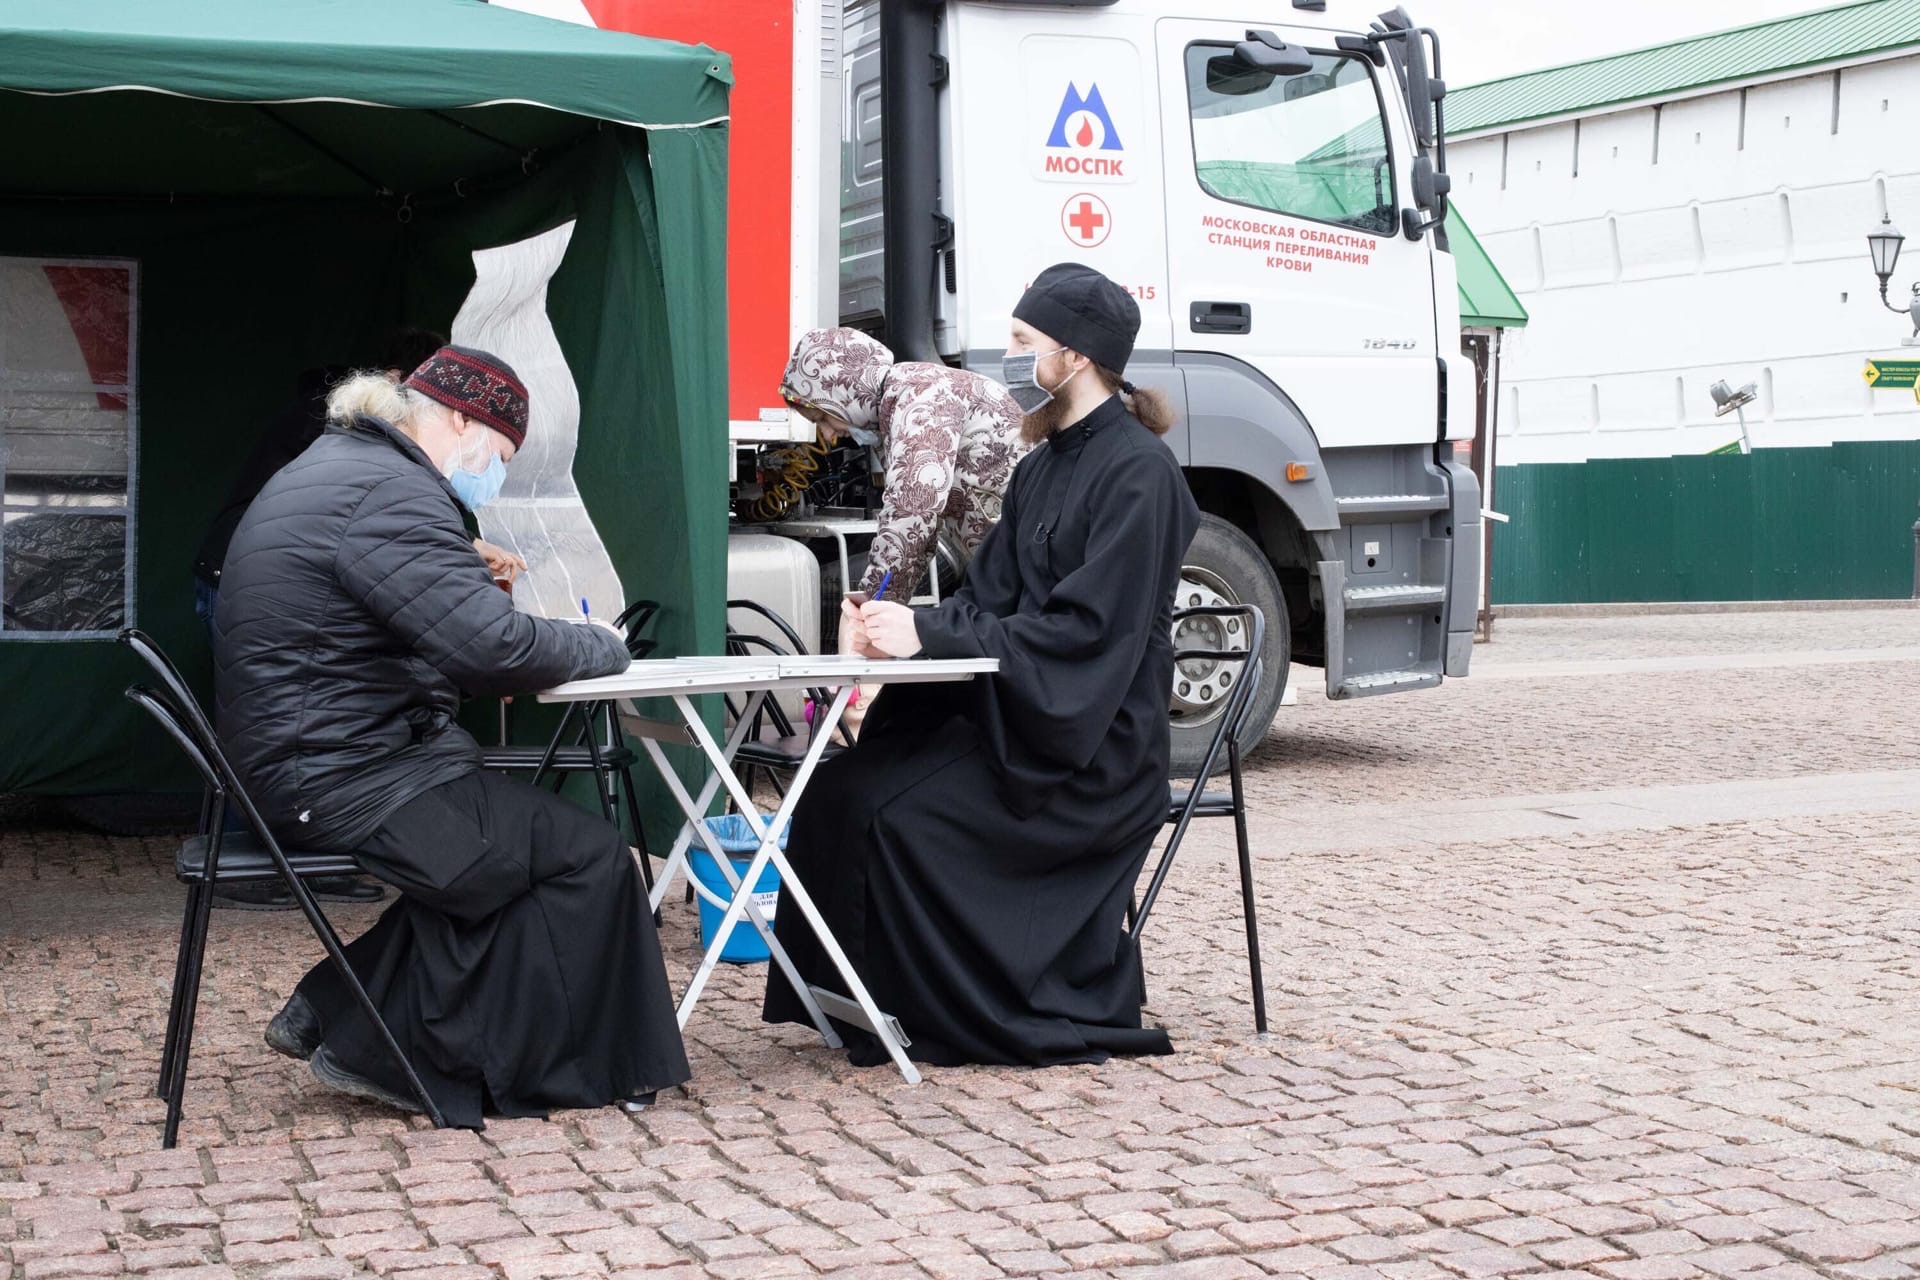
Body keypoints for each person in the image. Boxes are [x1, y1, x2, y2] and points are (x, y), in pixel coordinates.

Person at [214, 345, 688, 1125]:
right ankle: (400, 1050)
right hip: (344, 772)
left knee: (514, 859)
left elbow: (378, 599)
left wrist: (461, 568)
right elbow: (491, 651)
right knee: (588, 859)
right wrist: (601, 641)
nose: (492, 477)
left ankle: (337, 1006)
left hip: (315, 754)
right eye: (499, 456)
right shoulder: (392, 493)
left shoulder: (344, 468)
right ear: (463, 418)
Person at [762, 265, 1199, 1067]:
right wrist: (913, 624)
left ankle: (933, 1012)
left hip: (1090, 742)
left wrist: (932, 639)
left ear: (1074, 356)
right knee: (836, 789)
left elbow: (1087, 633)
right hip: (1022, 707)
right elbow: (989, 598)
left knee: (898, 815)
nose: (1011, 355)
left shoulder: (1142, 476)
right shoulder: (1040, 467)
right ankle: (861, 1005)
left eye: (1026, 342)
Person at [193, 328, 523, 911]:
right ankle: (270, 863)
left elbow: (357, 532)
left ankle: (303, 863)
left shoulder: (351, 439)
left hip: (244, 570)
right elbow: (354, 527)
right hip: (240, 577)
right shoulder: (343, 434)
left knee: (277, 705)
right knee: (278, 703)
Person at [779, 328, 1028, 599]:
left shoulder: (919, 398)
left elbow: (912, 512)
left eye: (822, 418)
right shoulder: (898, 402)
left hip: (1030, 561)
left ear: (842, 391)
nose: (827, 435)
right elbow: (918, 528)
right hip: (1018, 561)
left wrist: (874, 603)